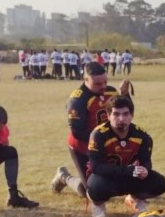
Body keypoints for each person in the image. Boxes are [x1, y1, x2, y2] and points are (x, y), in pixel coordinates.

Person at [55, 61, 131, 198]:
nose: (103, 86)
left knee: (112, 180)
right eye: (97, 84)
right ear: (85, 80)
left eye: (105, 82)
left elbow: (126, 113)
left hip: (106, 144)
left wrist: (125, 95)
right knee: (90, 191)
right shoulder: (78, 99)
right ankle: (64, 177)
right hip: (83, 147)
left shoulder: (111, 91)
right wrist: (103, 139)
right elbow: (78, 132)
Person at [85, 95, 165, 217]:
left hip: (129, 174)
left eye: (125, 114)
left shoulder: (141, 135)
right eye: (116, 114)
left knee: (160, 183)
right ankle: (98, 203)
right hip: (106, 177)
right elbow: (97, 167)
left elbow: (146, 160)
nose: (121, 118)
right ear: (108, 115)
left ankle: (136, 198)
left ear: (132, 115)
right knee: (96, 186)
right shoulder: (99, 134)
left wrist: (145, 169)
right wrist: (127, 170)